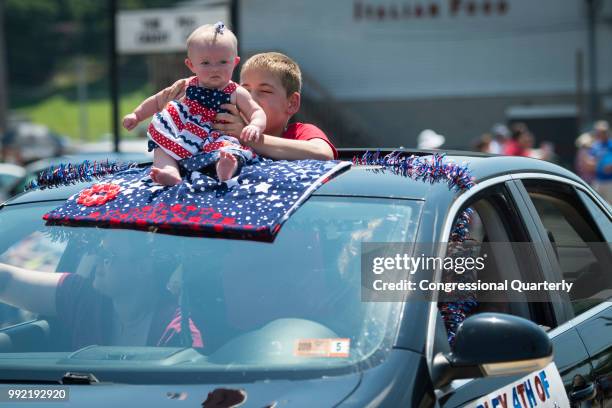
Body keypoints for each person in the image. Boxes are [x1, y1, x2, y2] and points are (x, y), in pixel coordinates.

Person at [123, 22, 266, 185]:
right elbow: (157, 100)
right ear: (191, 65)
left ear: (235, 62)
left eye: (223, 62)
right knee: (161, 143)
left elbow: (257, 111)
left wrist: (255, 125)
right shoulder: (186, 85)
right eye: (205, 63)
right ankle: (169, 170)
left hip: (217, 136)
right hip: (184, 134)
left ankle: (225, 169)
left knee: (229, 150)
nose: (215, 69)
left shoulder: (235, 91)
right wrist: (136, 115)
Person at [0, 233, 202, 349]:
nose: (97, 260)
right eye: (99, 251)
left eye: (108, 255)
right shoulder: (83, 296)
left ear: (143, 267)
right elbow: (8, 282)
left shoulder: (178, 332)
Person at [153, 52, 337, 162]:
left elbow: (323, 154)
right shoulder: (220, 127)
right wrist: (176, 106)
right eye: (245, 89)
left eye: (265, 91)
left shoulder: (300, 132)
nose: (251, 98)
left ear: (292, 103)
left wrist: (248, 138)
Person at [588, 120, 612, 203]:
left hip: (610, 181)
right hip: (598, 180)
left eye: (604, 131)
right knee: (596, 203)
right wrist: (596, 165)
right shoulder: (595, 146)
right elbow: (590, 162)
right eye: (600, 131)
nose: (602, 133)